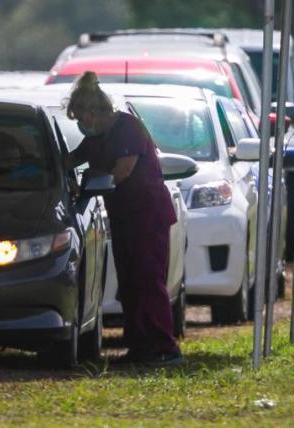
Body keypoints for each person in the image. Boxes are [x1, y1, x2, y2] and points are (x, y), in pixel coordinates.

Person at [65, 71, 184, 365]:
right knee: (129, 283)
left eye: (81, 117)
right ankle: (140, 346)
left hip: (147, 215)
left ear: (94, 111)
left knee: (148, 280)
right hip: (124, 218)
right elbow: (71, 158)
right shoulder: (96, 138)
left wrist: (89, 183)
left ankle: (164, 348)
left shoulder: (128, 128)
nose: (81, 124)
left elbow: (123, 171)